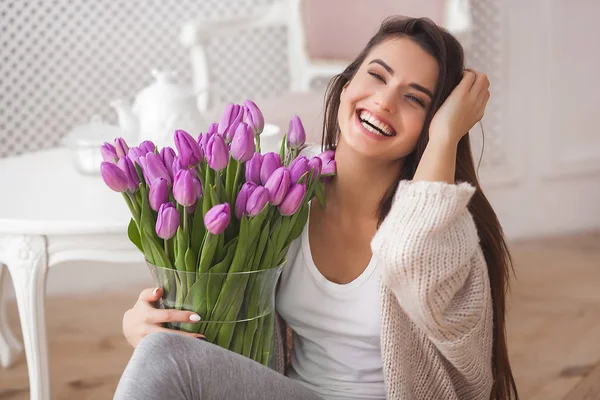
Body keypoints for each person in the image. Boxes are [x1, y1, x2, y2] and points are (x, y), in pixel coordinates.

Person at [114, 16, 519, 400]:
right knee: (160, 356)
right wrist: (147, 323)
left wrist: (447, 136)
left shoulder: (444, 229)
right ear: (345, 85)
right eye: (377, 76)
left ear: (430, 125)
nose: (384, 101)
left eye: (414, 99)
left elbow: (414, 260)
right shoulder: (283, 189)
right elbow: (215, 313)